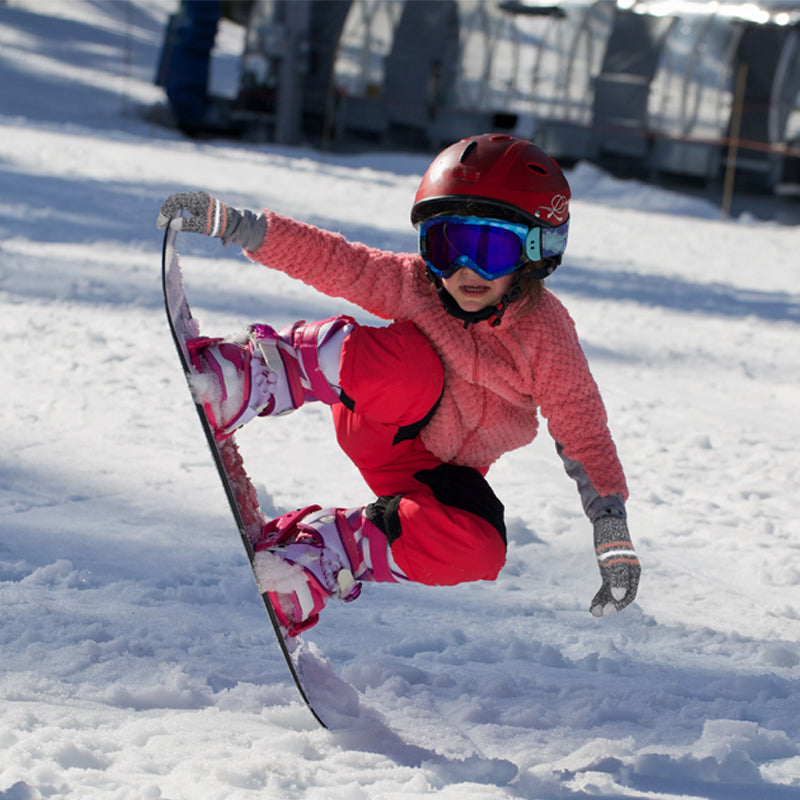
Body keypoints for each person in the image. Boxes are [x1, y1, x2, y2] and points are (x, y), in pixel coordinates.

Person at [157, 133, 641, 636]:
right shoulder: (418, 287)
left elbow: (581, 427)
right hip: (383, 420)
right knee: (413, 365)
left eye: (491, 249)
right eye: (446, 245)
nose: (464, 269)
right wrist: (238, 227)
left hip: (430, 474)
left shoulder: (546, 336)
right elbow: (338, 263)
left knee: (481, 546)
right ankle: (256, 373)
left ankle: (329, 552)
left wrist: (610, 527)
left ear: (538, 251)